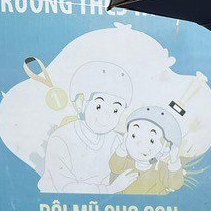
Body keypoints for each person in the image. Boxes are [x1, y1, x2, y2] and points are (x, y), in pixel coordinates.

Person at [38, 61, 138, 193]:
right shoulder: (61, 139)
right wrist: (111, 189)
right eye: (99, 106)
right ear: (80, 103)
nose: (106, 116)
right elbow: (65, 188)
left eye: (115, 110)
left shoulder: (116, 140)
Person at [108, 106, 186, 195]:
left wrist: (174, 161)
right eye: (133, 136)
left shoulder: (161, 168)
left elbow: (174, 185)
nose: (139, 144)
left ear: (166, 147)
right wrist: (123, 147)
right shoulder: (128, 162)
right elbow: (114, 167)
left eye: (151, 141)